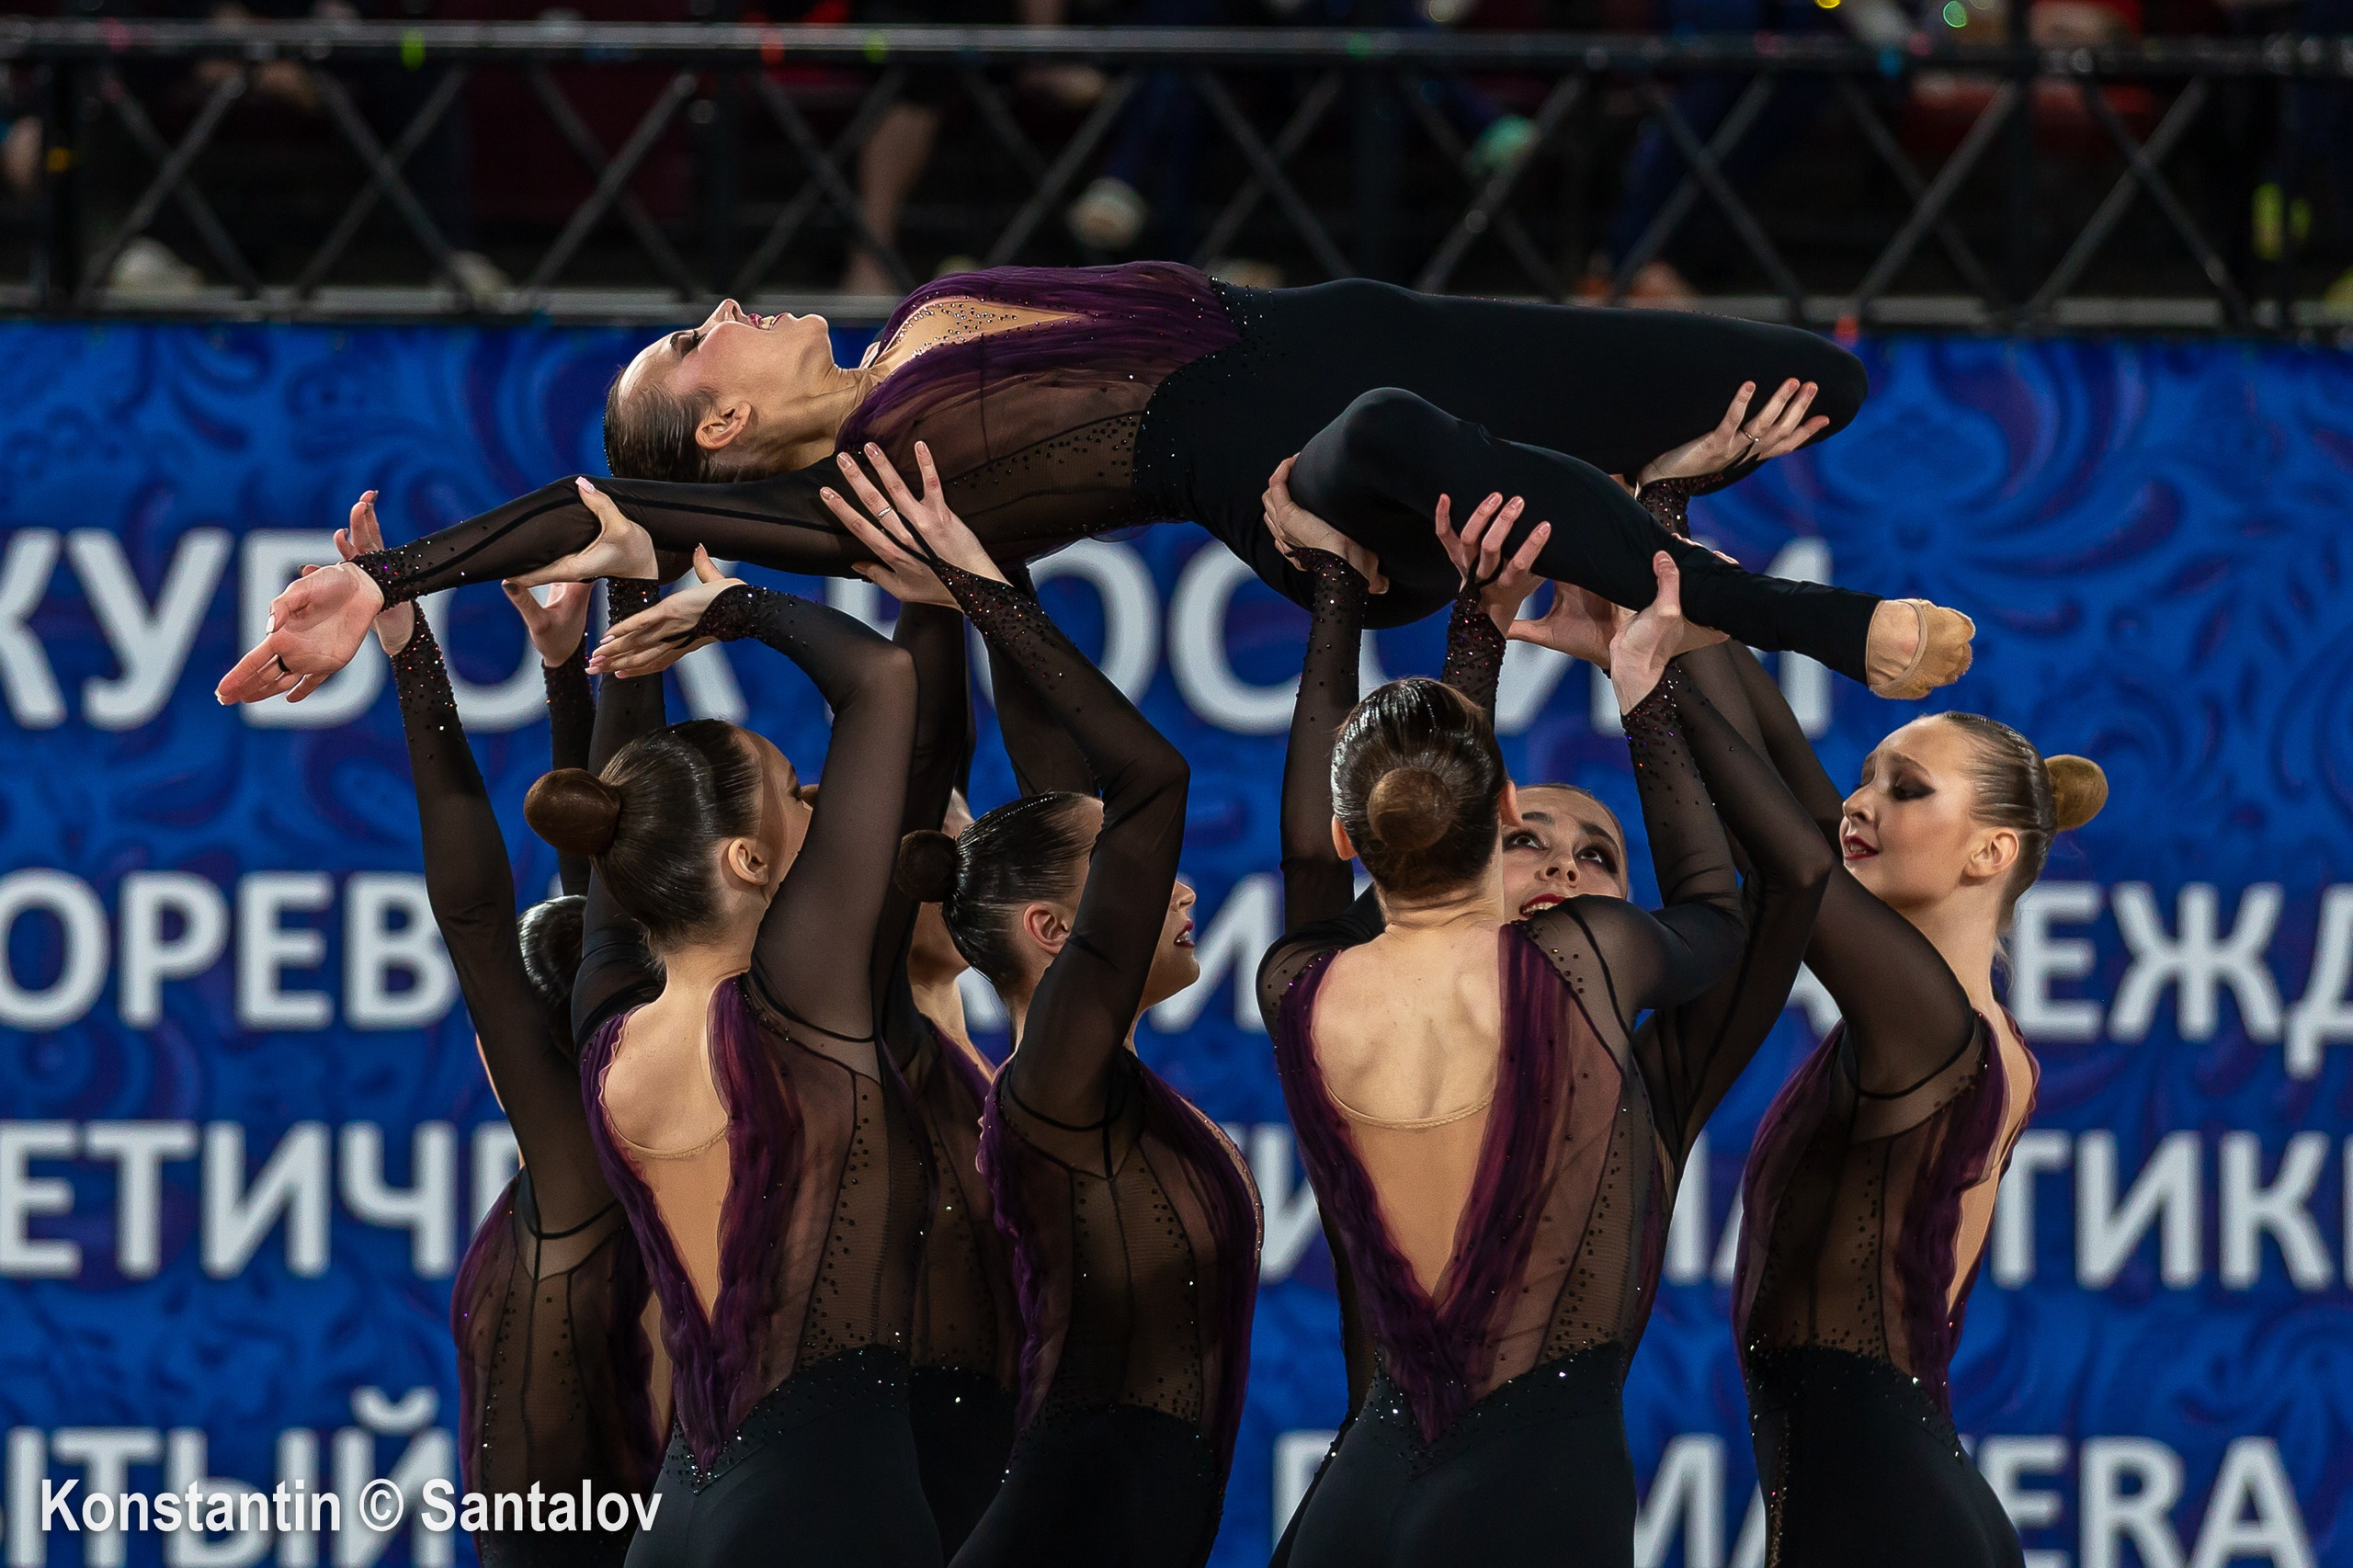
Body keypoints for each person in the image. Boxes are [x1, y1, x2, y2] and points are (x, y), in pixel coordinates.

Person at [217, 266, 1975, 710]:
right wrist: (391, 581)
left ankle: (1636, 510)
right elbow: (596, 513)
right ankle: (1788, 619)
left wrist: (1633, 474)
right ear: (725, 429)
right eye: (698, 342)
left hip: (1397, 329)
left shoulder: (915, 321)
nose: (729, 309)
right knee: (1405, 441)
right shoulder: (865, 502)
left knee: (1812, 383)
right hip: (1311, 482)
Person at [1256, 496, 1836, 1563]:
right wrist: (1644, 674)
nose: (1566, 863)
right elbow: (1734, 897)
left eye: (1598, 855)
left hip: (1365, 1503)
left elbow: (1797, 880)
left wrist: (1465, 623)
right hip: (1516, 1489)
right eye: (1532, 838)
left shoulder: (1304, 980)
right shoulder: (1584, 952)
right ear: (1490, 817)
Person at [812, 445, 1260, 1568]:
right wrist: (975, 586)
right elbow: (1151, 781)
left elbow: (1061, 790)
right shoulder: (1053, 1084)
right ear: (1055, 933)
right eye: (1137, 877)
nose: (1179, 888)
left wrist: (993, 544)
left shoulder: (1087, 1076)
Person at [522, 492, 938, 1568]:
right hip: (821, 1504)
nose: (818, 802)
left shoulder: (608, 1024)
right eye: (796, 795)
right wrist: (735, 607)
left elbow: (622, 820)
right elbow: (883, 680)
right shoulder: (798, 1005)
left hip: (680, 1513)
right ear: (749, 861)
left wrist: (634, 589)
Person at [1727, 658, 2106, 1566]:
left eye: (1905, 790)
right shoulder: (1958, 1026)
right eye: (1864, 779)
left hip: (1883, 1509)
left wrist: (1648, 669)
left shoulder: (1931, 1028)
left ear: (1990, 853)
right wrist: (1686, 626)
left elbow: (1790, 859)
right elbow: (1794, 788)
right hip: (1893, 1495)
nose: (1858, 803)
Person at [346, 489, 663, 1565]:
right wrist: (572, 665)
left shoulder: (581, 1176)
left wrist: (410, 646)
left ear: (519, 1043)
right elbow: (598, 888)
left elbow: (482, 913)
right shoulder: (591, 1162)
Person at [871, 602, 1024, 1556]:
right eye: (942, 849)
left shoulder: (993, 1064)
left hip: (998, 1460)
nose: (964, 870)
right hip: (912, 1463)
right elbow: (924, 752)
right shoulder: (871, 1040)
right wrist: (930, 591)